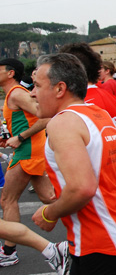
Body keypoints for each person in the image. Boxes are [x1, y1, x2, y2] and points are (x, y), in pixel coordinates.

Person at [31, 53, 116, 274]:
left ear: (59, 89)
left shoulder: (62, 122)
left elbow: (82, 188)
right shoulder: (98, 113)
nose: (32, 93)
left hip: (101, 241)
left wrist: (49, 213)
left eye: (36, 85)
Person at [0, 58, 57, 266]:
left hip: (29, 150)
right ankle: (91, 217)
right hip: (30, 149)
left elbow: (45, 117)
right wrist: (11, 137)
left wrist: (21, 137)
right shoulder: (12, 94)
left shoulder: (16, 93)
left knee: (7, 200)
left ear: (10, 73)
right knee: (49, 197)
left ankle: (8, 251)